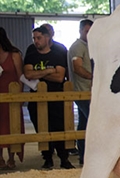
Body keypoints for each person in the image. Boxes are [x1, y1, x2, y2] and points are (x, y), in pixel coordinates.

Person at [23, 25, 74, 170]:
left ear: (47, 37)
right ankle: (47, 158)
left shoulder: (58, 52)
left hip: (56, 95)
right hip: (36, 97)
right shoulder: (31, 52)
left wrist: (38, 72)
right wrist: (48, 70)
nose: (36, 41)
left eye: (39, 38)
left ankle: (64, 158)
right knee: (41, 127)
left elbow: (59, 77)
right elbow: (28, 74)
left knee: (59, 126)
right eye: (34, 38)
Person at [68, 19, 93, 165]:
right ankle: (85, 155)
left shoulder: (89, 46)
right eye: (87, 32)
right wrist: (93, 77)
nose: (89, 34)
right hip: (81, 90)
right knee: (90, 122)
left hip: (88, 90)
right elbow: (77, 68)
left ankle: (84, 156)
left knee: (84, 123)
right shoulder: (78, 47)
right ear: (80, 30)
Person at [0, 27, 25, 170]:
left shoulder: (14, 55)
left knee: (12, 125)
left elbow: (20, 75)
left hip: (12, 94)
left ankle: (11, 157)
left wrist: (20, 94)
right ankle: (0, 157)